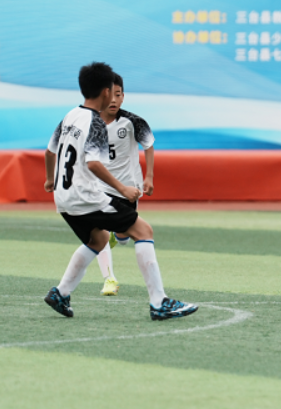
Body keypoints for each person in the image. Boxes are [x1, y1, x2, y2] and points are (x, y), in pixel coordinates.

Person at [42, 62, 196, 321]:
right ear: (106, 91)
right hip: (86, 197)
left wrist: (49, 179)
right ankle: (159, 302)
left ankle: (61, 292)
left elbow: (49, 152)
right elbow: (93, 164)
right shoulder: (96, 123)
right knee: (143, 231)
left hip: (64, 198)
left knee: (98, 240)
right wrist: (123, 188)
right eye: (112, 92)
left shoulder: (69, 116)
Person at [95, 73, 157, 296]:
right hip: (101, 187)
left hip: (129, 187)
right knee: (98, 232)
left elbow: (148, 145)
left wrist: (149, 177)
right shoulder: (90, 122)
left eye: (118, 94)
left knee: (123, 236)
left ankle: (118, 236)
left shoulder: (133, 122)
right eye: (109, 95)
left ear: (123, 97)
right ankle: (109, 279)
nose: (114, 100)